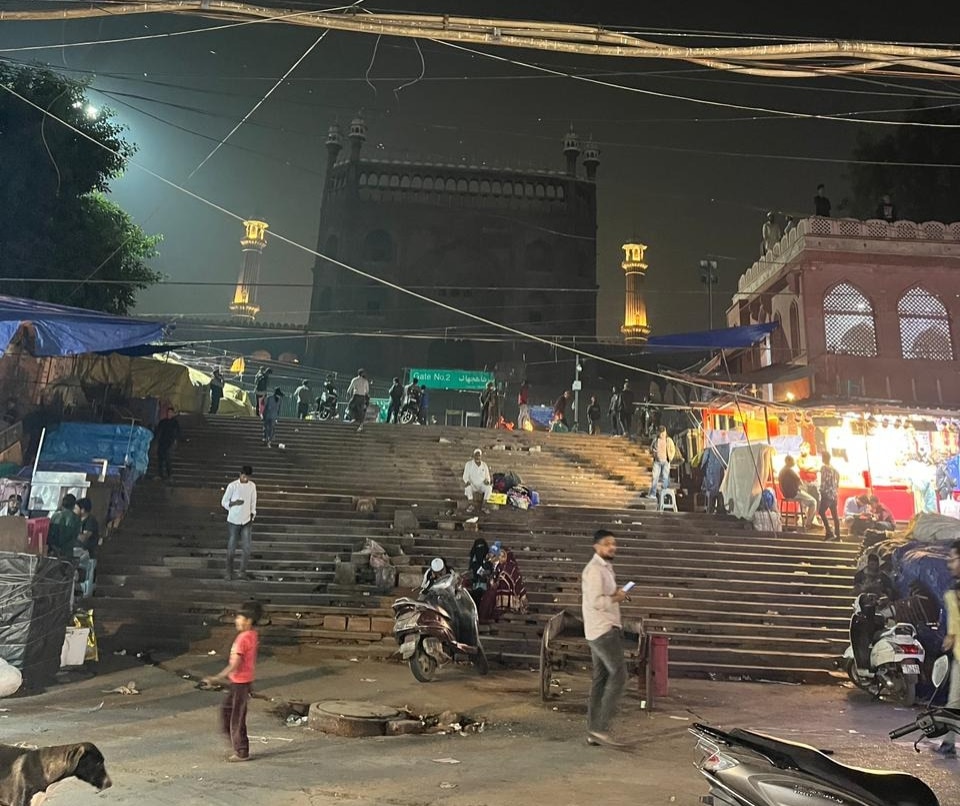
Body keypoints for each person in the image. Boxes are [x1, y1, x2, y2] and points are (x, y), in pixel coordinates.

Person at [581, 529, 629, 747]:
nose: (612, 547)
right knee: (618, 674)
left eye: (614, 543)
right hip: (602, 631)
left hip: (600, 629)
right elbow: (596, 601)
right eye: (607, 543)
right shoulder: (594, 571)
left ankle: (593, 731)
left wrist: (617, 594)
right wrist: (616, 597)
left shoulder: (605, 569)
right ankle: (601, 727)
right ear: (597, 547)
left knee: (600, 679)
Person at [203, 599, 263, 762]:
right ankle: (236, 744)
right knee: (229, 711)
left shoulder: (243, 639)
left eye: (240, 617)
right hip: (241, 682)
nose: (236, 620)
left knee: (235, 715)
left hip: (240, 683)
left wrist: (216, 678)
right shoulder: (252, 635)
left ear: (248, 621)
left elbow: (235, 664)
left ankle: (241, 750)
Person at [936, 540, 960, 757]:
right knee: (954, 699)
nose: (950, 564)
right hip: (959, 655)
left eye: (954, 559)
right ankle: (949, 742)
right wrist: (951, 636)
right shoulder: (953, 590)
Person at [221, 466, 257, 581]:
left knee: (246, 547)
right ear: (240, 474)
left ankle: (242, 571)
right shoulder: (232, 486)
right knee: (232, 547)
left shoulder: (252, 486)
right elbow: (224, 502)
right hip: (233, 520)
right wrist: (234, 503)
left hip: (246, 520)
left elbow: (253, 502)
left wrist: (252, 515)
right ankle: (229, 572)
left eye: (248, 477)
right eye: (244, 476)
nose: (245, 478)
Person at [478, 544, 528, 624]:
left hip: (510, 594)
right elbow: (494, 579)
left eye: (503, 556)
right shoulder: (499, 567)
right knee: (488, 595)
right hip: (498, 590)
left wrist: (497, 582)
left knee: (490, 595)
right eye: (499, 556)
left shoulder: (511, 567)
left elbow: (515, 583)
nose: (500, 558)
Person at [778, 455, 817, 528]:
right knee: (813, 502)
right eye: (793, 460)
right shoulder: (790, 470)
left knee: (805, 501)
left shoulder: (781, 471)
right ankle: (809, 524)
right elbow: (800, 481)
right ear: (788, 461)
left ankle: (804, 519)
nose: (794, 462)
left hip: (786, 494)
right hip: (794, 493)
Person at [76, 497, 100, 598]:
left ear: (83, 509)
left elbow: (84, 538)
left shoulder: (91, 521)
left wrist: (72, 532)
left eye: (76, 508)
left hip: (88, 553)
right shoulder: (78, 520)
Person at [47, 494, 82, 561]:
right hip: (67, 552)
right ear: (74, 505)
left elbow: (50, 534)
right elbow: (75, 535)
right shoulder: (76, 519)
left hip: (54, 551)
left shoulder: (55, 515)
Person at [646, 425, 677, 499]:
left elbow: (673, 449)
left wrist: (670, 458)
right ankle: (653, 494)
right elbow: (651, 448)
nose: (662, 435)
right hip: (657, 461)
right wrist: (653, 452)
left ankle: (664, 494)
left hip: (666, 461)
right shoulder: (655, 440)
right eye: (661, 433)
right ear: (658, 433)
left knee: (665, 478)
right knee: (655, 477)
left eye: (664, 433)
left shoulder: (668, 440)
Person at [818, 452, 841, 542]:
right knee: (835, 515)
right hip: (834, 495)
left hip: (827, 494)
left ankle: (829, 531)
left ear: (824, 458)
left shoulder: (824, 468)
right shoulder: (835, 470)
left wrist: (821, 490)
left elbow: (823, 481)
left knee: (821, 511)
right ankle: (838, 535)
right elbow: (837, 481)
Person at [154, 408, 181, 480]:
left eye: (171, 413)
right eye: (168, 412)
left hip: (169, 442)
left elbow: (177, 433)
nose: (169, 414)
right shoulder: (163, 422)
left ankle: (169, 474)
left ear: (172, 413)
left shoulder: (175, 423)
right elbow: (158, 431)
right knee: (160, 459)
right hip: (162, 442)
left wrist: (175, 441)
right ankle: (160, 474)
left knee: (167, 458)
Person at [463, 448, 492, 514]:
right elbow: (465, 476)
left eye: (479, 455)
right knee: (467, 487)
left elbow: (487, 477)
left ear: (481, 456)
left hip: (481, 485)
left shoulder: (484, 465)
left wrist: (487, 481)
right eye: (476, 455)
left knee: (489, 488)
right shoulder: (468, 464)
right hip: (472, 485)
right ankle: (471, 505)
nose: (478, 457)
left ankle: (484, 506)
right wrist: (467, 481)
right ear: (473, 455)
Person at [466, 538, 491, 604]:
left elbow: (490, 571)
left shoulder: (489, 559)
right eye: (478, 547)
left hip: (487, 588)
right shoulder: (474, 560)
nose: (480, 550)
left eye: (481, 547)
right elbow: (471, 572)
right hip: (475, 587)